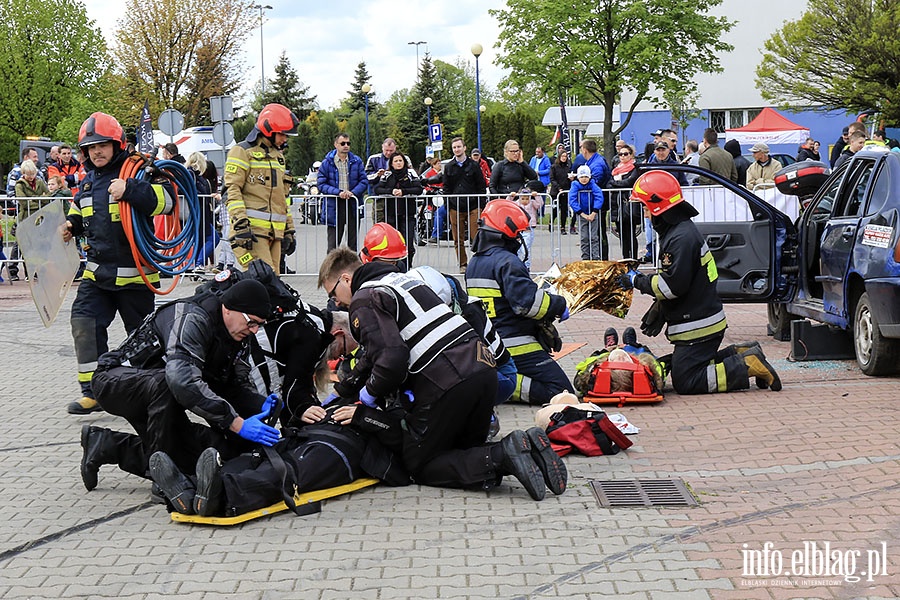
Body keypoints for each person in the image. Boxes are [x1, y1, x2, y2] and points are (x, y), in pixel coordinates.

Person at [318, 248, 566, 501]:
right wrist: (344, 389)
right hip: (483, 370)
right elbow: (376, 354)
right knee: (461, 449)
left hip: (446, 380)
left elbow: (391, 359)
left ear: (346, 279)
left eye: (332, 292)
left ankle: (505, 453)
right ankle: (529, 448)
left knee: (421, 464)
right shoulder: (403, 281)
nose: (335, 302)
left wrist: (368, 397)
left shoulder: (365, 298)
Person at [80, 279, 279, 494]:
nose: (254, 329)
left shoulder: (238, 333)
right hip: (115, 381)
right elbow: (181, 380)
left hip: (162, 394)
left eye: (260, 324)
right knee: (169, 389)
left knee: (220, 454)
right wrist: (236, 422)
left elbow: (234, 384)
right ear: (229, 309)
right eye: (252, 322)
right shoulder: (192, 318)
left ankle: (106, 445)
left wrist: (259, 404)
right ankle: (165, 479)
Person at [621, 170, 782, 395]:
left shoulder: (680, 238)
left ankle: (747, 365)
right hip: (701, 319)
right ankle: (744, 352)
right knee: (689, 366)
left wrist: (637, 280)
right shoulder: (679, 231)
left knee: (687, 380)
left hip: (698, 325)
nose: (645, 215)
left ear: (659, 207)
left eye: (646, 208)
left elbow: (672, 286)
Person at [63, 112, 176, 415]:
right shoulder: (87, 183)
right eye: (90, 147)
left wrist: (130, 190)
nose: (96, 152)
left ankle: (151, 391)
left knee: (142, 340)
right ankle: (94, 391)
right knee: (83, 323)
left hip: (135, 277)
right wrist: (71, 225)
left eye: (102, 145)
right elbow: (80, 211)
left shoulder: (139, 172)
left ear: (117, 144)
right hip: (97, 275)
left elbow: (168, 201)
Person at [467, 199, 575, 406]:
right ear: (506, 234)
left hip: (493, 342)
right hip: (516, 344)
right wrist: (558, 304)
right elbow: (528, 304)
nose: (519, 238)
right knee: (561, 391)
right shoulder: (507, 262)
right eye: (518, 234)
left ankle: (499, 378)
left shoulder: (475, 263)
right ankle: (502, 383)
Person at [224, 103, 299, 273]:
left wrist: (289, 230)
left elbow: (282, 198)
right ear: (268, 130)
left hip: (274, 234)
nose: (285, 139)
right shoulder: (242, 151)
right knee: (263, 279)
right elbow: (231, 190)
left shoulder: (278, 157)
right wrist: (240, 224)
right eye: (282, 134)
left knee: (273, 284)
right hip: (250, 232)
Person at [441, 138, 487, 273]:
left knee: (476, 236)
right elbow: (446, 187)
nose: (457, 149)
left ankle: (479, 263)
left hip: (473, 205)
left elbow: (481, 185)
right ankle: (463, 264)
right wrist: (448, 205)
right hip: (455, 207)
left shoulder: (473, 165)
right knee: (458, 239)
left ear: (464, 148)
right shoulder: (449, 166)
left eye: (459, 147)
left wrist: (481, 204)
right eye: (454, 147)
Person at [318, 133, 367, 252]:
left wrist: (353, 192)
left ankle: (352, 270)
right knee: (333, 245)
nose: (346, 146)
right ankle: (331, 270)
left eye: (348, 143)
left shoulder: (356, 161)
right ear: (336, 145)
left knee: (352, 244)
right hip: (334, 206)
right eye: (342, 143)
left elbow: (364, 181)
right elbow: (321, 184)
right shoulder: (327, 163)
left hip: (352, 204)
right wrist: (338, 192)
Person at [373, 153, 422, 270]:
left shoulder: (411, 173)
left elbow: (419, 189)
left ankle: (407, 267)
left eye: (400, 160)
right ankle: (394, 268)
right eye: (396, 161)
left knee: (408, 244)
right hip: (391, 215)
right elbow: (378, 188)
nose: (398, 163)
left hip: (408, 214)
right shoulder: (387, 174)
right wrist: (391, 191)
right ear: (391, 163)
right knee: (393, 244)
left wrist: (403, 191)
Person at [577, 139, 612, 260]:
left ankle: (602, 259)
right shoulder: (595, 161)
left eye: (582, 148)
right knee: (595, 233)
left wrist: (580, 183)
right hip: (594, 203)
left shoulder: (596, 164)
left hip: (597, 203)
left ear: (585, 150)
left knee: (598, 233)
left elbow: (596, 181)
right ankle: (597, 257)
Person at [608, 144, 642, 259]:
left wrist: (615, 184)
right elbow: (609, 183)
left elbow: (629, 182)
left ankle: (634, 259)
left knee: (631, 234)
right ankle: (625, 258)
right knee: (622, 236)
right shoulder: (616, 169)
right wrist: (615, 184)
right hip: (617, 206)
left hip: (628, 204)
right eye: (620, 154)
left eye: (625, 154)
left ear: (631, 155)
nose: (623, 156)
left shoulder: (635, 168)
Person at [568, 165, 605, 260]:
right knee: (584, 237)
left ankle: (595, 257)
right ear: (578, 177)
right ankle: (585, 257)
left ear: (589, 177)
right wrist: (581, 213)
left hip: (593, 213)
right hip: (581, 214)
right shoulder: (575, 185)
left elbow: (599, 196)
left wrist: (594, 212)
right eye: (582, 177)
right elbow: (572, 199)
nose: (584, 179)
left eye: (586, 177)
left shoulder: (593, 184)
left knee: (594, 237)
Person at [513, 181, 545, 270]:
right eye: (522, 199)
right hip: (518, 229)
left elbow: (540, 204)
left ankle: (527, 266)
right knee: (517, 249)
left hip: (528, 229)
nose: (525, 201)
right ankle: (517, 266)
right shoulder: (516, 204)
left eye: (527, 199)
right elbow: (508, 203)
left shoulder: (532, 203)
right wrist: (511, 196)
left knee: (526, 249)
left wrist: (536, 196)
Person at [548, 148, 573, 234]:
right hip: (556, 191)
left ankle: (563, 227)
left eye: (565, 156)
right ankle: (551, 222)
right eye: (562, 156)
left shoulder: (568, 167)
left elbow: (570, 176)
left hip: (565, 190)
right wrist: (558, 187)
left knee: (564, 210)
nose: (564, 158)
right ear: (559, 157)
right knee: (555, 209)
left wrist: (571, 179)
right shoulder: (554, 167)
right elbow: (552, 178)